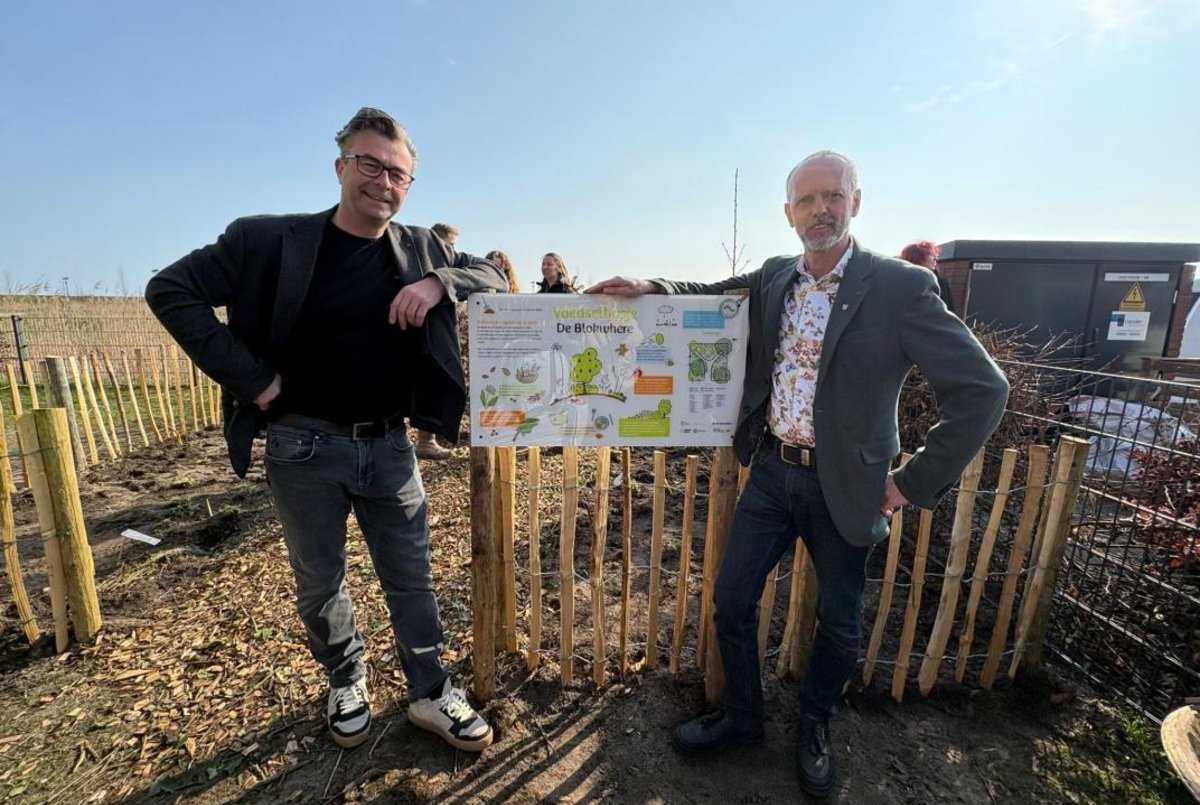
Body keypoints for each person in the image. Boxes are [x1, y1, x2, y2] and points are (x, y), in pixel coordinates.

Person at [587, 150, 1008, 797]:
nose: (821, 210)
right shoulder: (776, 276)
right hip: (775, 471)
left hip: (851, 484)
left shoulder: (899, 287)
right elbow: (712, 295)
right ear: (788, 213)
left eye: (833, 196)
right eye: (807, 200)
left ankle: (814, 724)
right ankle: (745, 717)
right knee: (732, 597)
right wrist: (649, 287)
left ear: (856, 203)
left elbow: (983, 388)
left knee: (838, 623)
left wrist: (909, 482)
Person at [145, 107, 504, 753]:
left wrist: (437, 281)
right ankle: (346, 679)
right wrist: (250, 378)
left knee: (413, 577)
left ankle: (429, 690)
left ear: (408, 184)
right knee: (321, 580)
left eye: (398, 173)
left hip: (391, 445)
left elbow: (495, 274)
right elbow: (169, 289)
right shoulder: (266, 240)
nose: (383, 181)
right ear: (341, 167)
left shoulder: (424, 247)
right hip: (302, 445)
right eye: (369, 164)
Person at [412, 222, 464, 460]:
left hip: (439, 333)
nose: (452, 250)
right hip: (421, 335)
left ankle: (427, 440)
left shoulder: (451, 267)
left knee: (434, 387)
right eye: (449, 245)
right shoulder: (417, 261)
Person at [900, 239, 955, 312]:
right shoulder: (901, 279)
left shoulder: (940, 281)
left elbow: (949, 308)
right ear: (917, 257)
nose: (936, 258)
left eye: (936, 255)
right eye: (932, 255)